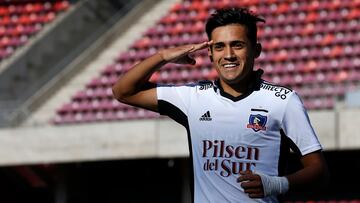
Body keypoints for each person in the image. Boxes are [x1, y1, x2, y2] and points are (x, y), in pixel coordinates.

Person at [112, 7, 329, 203]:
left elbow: (318, 169)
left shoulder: (283, 101)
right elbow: (123, 91)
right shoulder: (192, 97)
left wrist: (276, 184)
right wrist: (164, 56)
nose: (228, 55)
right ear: (210, 53)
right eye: (219, 47)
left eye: (237, 45)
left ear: (256, 50)